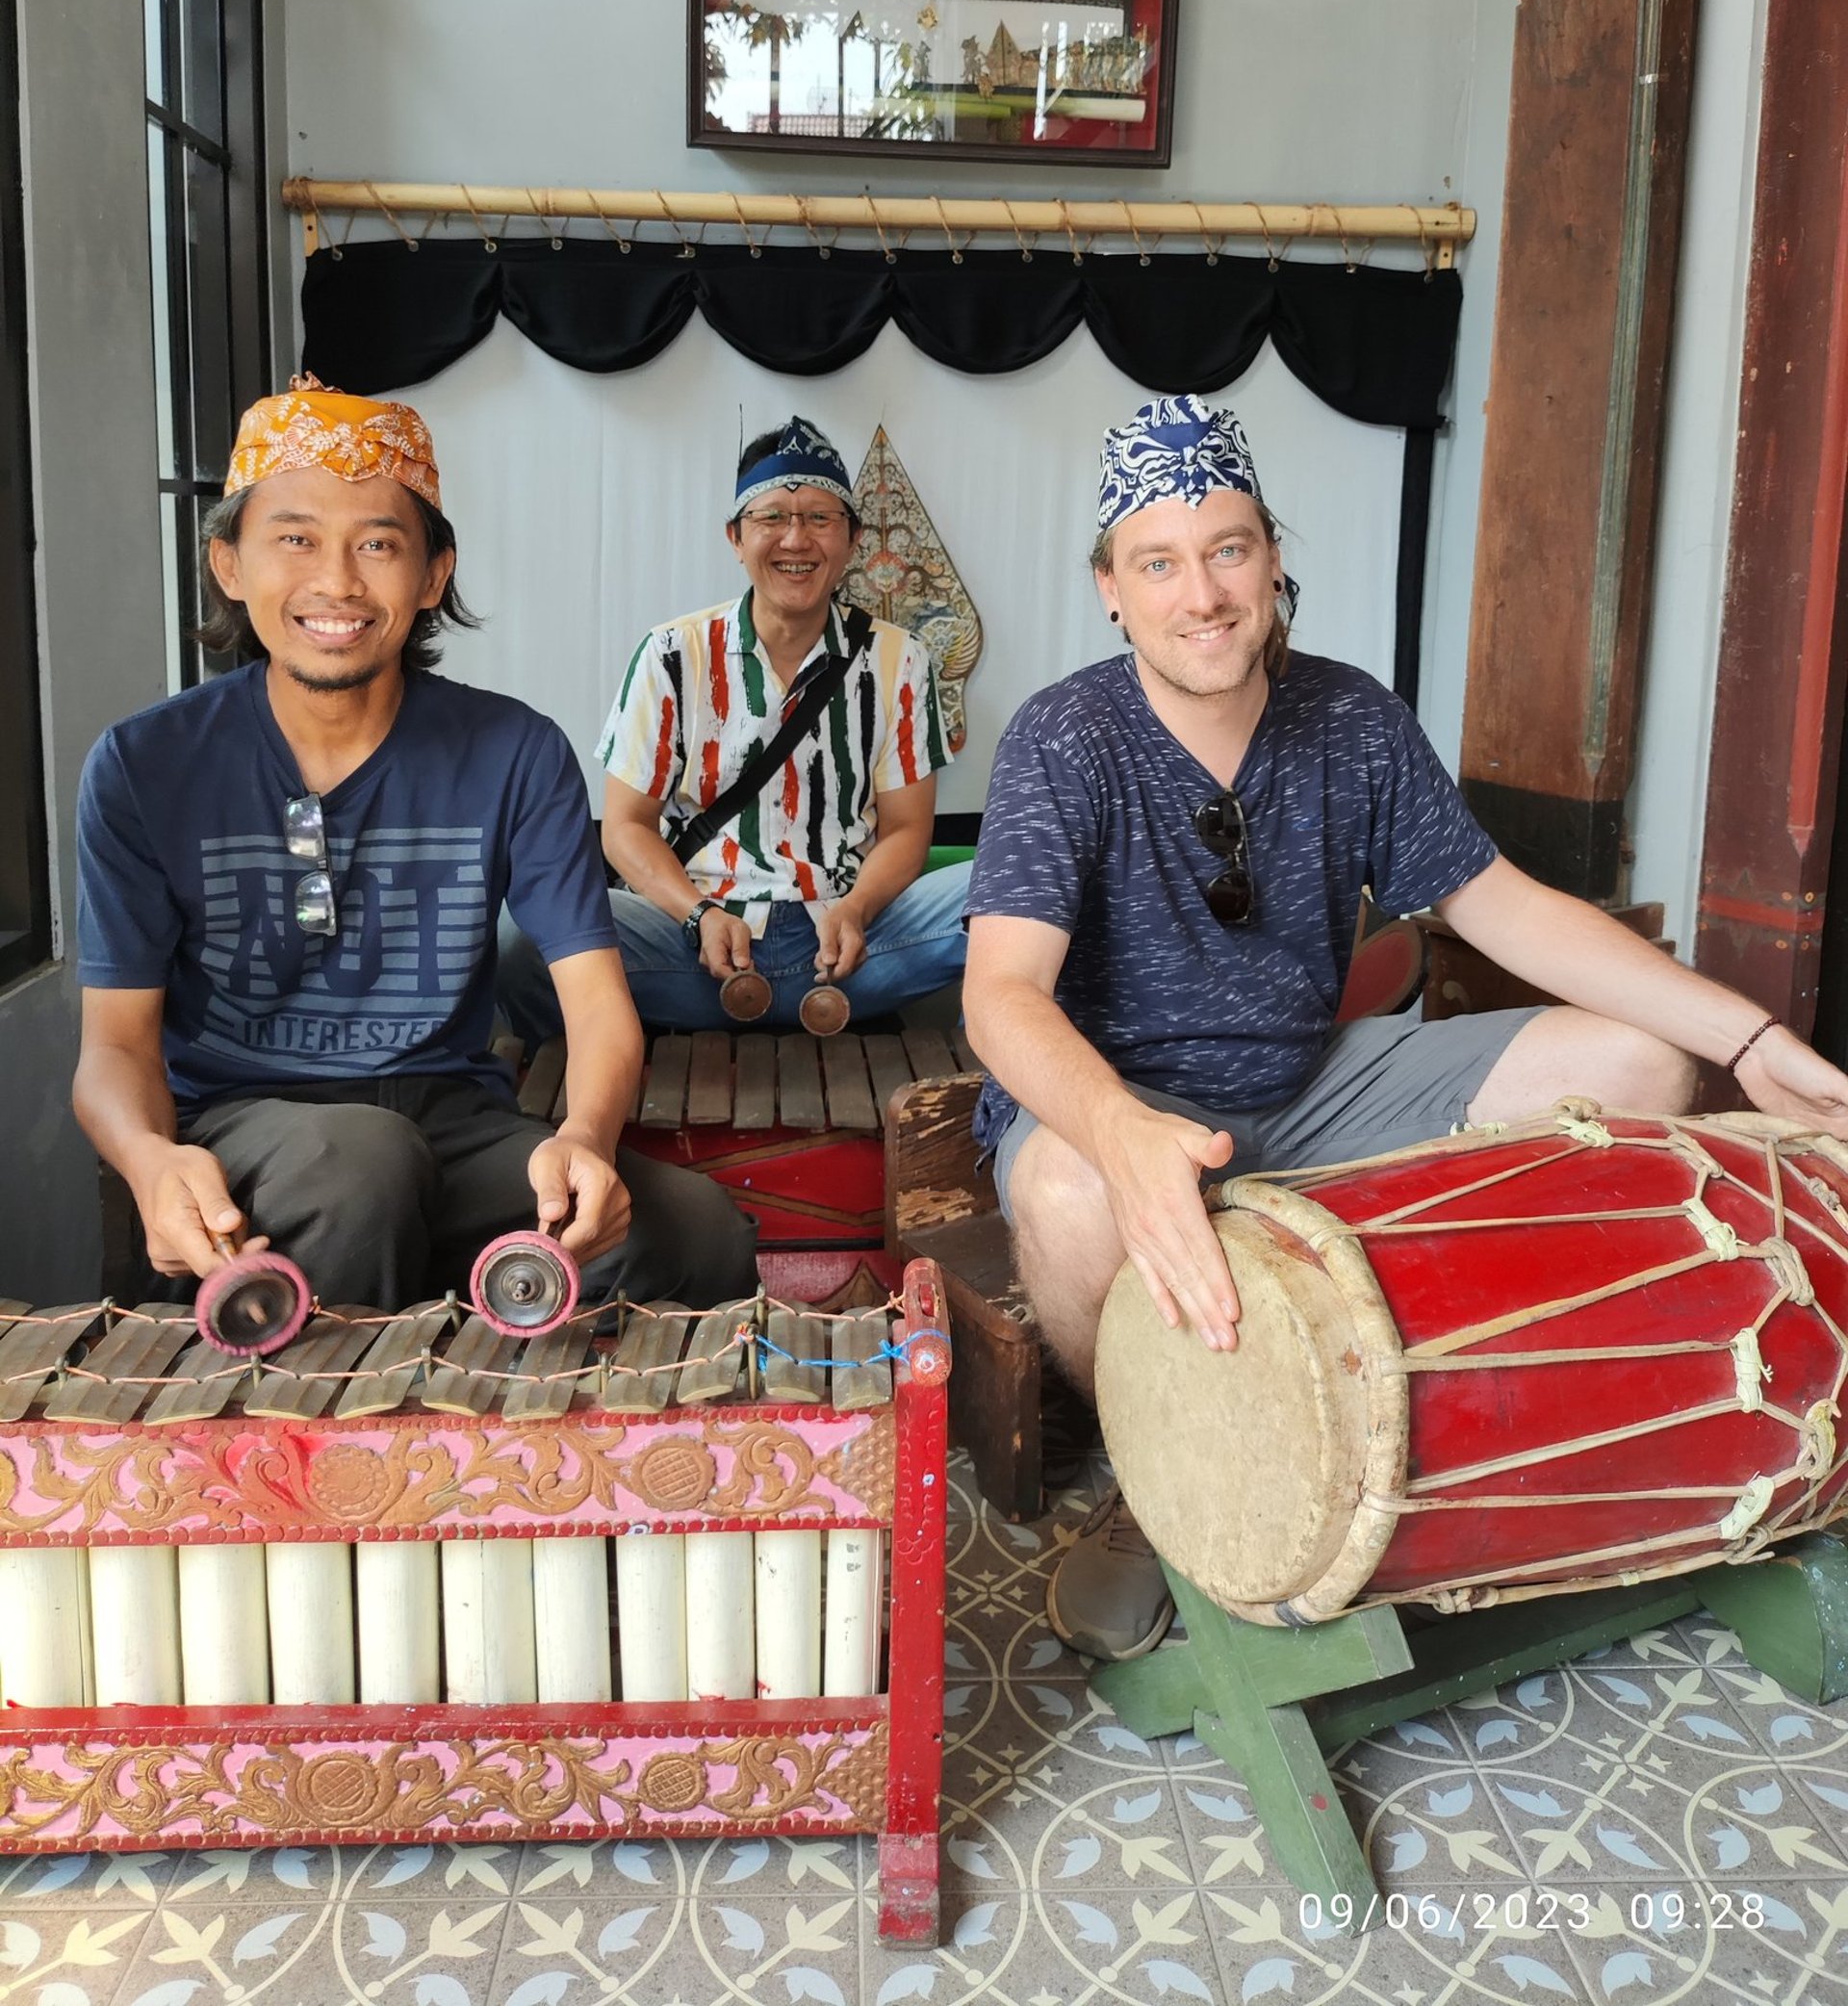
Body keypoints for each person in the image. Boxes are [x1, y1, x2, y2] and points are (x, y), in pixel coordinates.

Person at [962, 392, 1848, 1661]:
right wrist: (1118, 1131)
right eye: (1159, 562)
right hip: (1121, 1097)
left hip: (1311, 1080)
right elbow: (1001, 991)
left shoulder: (1353, 717)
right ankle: (1151, 1479)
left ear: (1271, 555)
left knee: (1641, 1060)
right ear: (1112, 588)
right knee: (1064, 1190)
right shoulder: (1065, 735)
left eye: (1228, 549)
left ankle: (1509, 1417)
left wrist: (1750, 1041)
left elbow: (1507, 908)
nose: (1202, 593)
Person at [72, 375, 757, 1314]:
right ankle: (322, 1413)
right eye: (296, 538)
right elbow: (114, 1045)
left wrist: (585, 1140)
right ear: (229, 564)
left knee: (697, 1229)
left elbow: (599, 1007)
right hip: (247, 1136)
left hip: (451, 1123)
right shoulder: (145, 764)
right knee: (359, 1162)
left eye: (378, 544)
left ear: (433, 575)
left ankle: (542, 1413)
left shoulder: (514, 752)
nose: (338, 581)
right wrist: (152, 1160)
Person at [500, 415, 969, 1041]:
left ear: (853, 538)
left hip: (851, 948)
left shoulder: (898, 659)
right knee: (524, 935)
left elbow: (907, 829)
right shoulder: (672, 654)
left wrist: (857, 909)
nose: (796, 539)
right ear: (736, 537)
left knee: (1013, 897)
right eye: (772, 517)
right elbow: (626, 827)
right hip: (693, 948)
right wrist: (697, 915)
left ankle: (986, 1088)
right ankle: (593, 1077)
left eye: (820, 518)